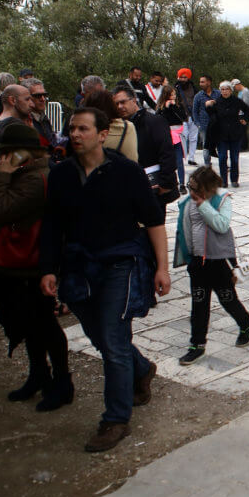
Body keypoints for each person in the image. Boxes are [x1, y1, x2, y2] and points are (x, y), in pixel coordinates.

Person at [40, 107, 170, 452]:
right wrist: (49, 268)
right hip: (77, 266)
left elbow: (153, 221)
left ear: (102, 134)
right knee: (98, 335)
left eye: (83, 129)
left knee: (113, 339)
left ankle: (115, 419)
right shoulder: (61, 176)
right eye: (72, 129)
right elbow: (52, 225)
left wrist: (162, 267)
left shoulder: (127, 173)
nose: (76, 135)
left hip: (120, 263)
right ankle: (140, 368)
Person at [0, 123, 72, 411]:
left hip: (30, 264)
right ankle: (39, 375)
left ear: (24, 153)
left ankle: (61, 382)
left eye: (7, 153)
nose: (2, 159)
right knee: (31, 325)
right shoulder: (27, 174)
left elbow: (2, 209)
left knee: (43, 324)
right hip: (19, 263)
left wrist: (1, 178)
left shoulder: (36, 178)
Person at [173, 165, 249, 365]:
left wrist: (203, 205)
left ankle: (246, 324)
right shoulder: (187, 203)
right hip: (198, 262)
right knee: (199, 304)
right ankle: (197, 345)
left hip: (220, 261)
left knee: (228, 299)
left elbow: (221, 225)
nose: (192, 192)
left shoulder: (222, 199)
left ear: (208, 188)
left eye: (196, 189)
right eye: (190, 187)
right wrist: (187, 257)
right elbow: (184, 230)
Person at [113, 86, 178, 206]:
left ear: (133, 100)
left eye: (123, 102)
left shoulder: (154, 121)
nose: (120, 107)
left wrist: (165, 184)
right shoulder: (118, 127)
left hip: (155, 187)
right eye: (116, 104)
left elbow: (167, 153)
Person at [212, 80, 249, 188]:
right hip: (221, 134)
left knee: (234, 158)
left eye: (227, 89)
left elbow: (246, 110)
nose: (225, 92)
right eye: (222, 90)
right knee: (222, 157)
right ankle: (223, 180)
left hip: (235, 133)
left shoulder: (237, 101)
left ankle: (234, 179)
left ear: (231, 90)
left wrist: (244, 119)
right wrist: (208, 106)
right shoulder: (217, 102)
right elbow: (211, 114)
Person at [84, 89, 137, 161]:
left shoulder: (79, 128)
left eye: (123, 102)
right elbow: (132, 159)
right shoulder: (126, 128)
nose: (120, 107)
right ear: (111, 106)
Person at [156, 84, 188, 193]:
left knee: (179, 161)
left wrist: (174, 107)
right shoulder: (161, 107)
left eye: (174, 94)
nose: (173, 96)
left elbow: (183, 117)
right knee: (169, 161)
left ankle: (182, 184)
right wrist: (166, 107)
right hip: (166, 136)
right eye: (171, 95)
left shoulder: (178, 105)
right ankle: (172, 182)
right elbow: (159, 119)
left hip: (177, 135)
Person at [192, 75, 220, 166]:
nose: (201, 84)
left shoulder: (218, 94)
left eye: (203, 82)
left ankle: (223, 163)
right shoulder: (198, 96)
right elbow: (195, 112)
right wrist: (198, 124)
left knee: (220, 144)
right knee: (206, 145)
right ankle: (207, 165)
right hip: (204, 125)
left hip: (217, 124)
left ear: (209, 82)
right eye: (200, 82)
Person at [174, 68, 199, 167]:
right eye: (181, 77)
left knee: (194, 138)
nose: (183, 79)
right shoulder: (175, 88)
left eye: (185, 77)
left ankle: (191, 158)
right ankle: (182, 157)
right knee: (183, 137)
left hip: (192, 115)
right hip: (181, 116)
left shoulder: (193, 88)